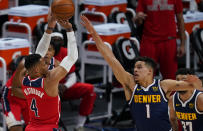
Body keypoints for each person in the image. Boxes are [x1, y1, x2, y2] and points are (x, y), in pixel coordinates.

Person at [80, 15, 201, 131]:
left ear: (149, 71)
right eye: (134, 68)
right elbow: (109, 57)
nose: (135, 70)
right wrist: (93, 33)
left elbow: (195, 86)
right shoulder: (131, 84)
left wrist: (195, 82)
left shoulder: (164, 85)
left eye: (139, 67)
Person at [14, 10, 78, 131]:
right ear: (37, 68)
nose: (47, 64)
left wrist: (50, 27)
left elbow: (38, 55)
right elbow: (72, 57)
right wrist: (70, 31)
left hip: (31, 127)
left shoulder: (25, 79)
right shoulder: (50, 80)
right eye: (44, 63)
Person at [45, 32, 97, 131]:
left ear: (63, 42)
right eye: (54, 39)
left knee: (90, 90)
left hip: (63, 88)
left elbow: (72, 76)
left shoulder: (66, 53)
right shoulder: (43, 53)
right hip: (47, 89)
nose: (56, 42)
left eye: (58, 39)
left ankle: (79, 125)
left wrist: (65, 86)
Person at [135, 0, 186, 79]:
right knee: (144, 79)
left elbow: (180, 19)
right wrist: (137, 18)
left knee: (171, 79)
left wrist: (182, 44)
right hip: (149, 41)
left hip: (169, 41)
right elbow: (138, 21)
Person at [1, 56, 28, 131]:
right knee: (16, 128)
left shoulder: (43, 71)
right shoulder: (22, 72)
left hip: (27, 99)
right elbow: (15, 92)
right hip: (12, 99)